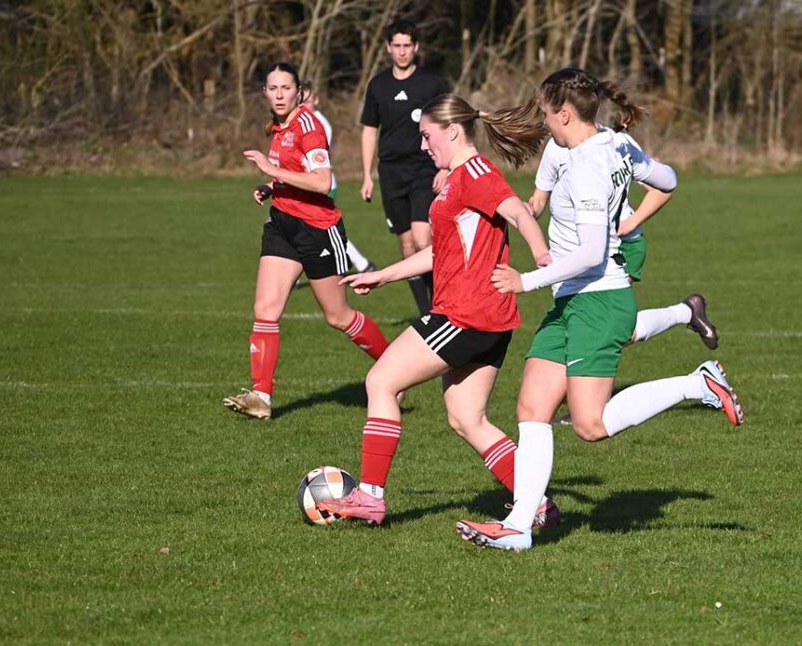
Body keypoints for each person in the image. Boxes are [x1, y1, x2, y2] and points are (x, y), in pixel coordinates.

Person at [455, 69, 745, 551]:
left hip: (598, 300)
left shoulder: (592, 163)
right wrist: (612, 218)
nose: (544, 124)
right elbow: (668, 179)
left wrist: (523, 281)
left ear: (565, 113)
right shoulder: (612, 143)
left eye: (547, 116)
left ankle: (699, 382)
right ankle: (519, 526)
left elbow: (590, 254)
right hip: (571, 301)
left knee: (590, 425)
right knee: (531, 407)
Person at [316, 94, 556, 526]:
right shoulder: (455, 179)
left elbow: (518, 211)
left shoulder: (476, 173)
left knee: (381, 381)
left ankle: (370, 496)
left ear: (452, 131)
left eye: (427, 136)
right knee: (467, 418)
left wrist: (540, 254)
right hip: (485, 316)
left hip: (465, 313)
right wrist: (383, 274)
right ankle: (535, 503)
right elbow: (439, 254)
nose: (423, 145)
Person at [223, 63, 391, 420]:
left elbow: (321, 181)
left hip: (317, 230)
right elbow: (294, 174)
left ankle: (396, 368)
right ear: (265, 93)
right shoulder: (279, 126)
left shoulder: (309, 126)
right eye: (273, 88)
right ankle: (261, 398)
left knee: (338, 315)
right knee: (266, 308)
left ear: (299, 91)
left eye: (287, 87)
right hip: (283, 225)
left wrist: (271, 172)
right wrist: (271, 188)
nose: (280, 94)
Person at [529, 136, 718, 427]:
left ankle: (592, 405)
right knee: (605, 330)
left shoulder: (615, 144)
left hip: (615, 248)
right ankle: (687, 312)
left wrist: (632, 222)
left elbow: (663, 185)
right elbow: (539, 199)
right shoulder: (555, 147)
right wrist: (521, 214)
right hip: (581, 255)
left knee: (608, 328)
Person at [360, 19, 451, 315]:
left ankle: (441, 304)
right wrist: (366, 175)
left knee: (423, 238)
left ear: (416, 47)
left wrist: (445, 167)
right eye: (396, 46)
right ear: (388, 48)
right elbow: (370, 129)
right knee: (407, 243)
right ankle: (427, 312)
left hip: (424, 169)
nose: (402, 51)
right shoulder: (378, 85)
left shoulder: (432, 84)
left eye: (407, 46)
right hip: (390, 172)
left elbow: (450, 124)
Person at [300, 80, 375, 274]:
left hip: (321, 185)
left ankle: (361, 264)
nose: (304, 105)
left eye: (308, 101)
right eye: (301, 101)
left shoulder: (319, 124)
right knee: (306, 227)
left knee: (322, 228)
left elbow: (312, 158)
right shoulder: (302, 122)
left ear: (316, 100)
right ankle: (362, 264)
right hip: (308, 184)